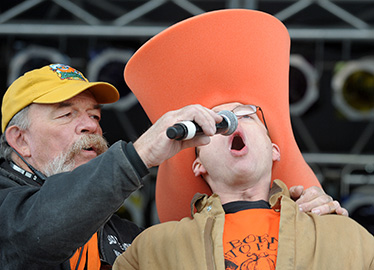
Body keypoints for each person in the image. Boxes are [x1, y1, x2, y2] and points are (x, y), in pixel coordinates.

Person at [0, 28, 344, 270]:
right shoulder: (7, 207)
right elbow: (36, 236)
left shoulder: (135, 241)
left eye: (93, 114)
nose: (90, 124)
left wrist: (316, 232)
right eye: (67, 114)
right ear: (20, 140)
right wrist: (140, 154)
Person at [111, 9, 373, 269]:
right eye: (214, 123)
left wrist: (330, 225)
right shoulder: (153, 251)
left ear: (274, 150)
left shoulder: (348, 238)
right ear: (197, 163)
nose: (230, 124)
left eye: (247, 116)